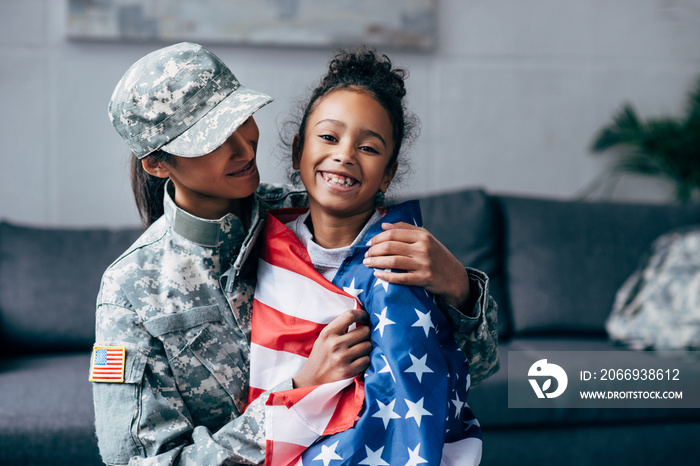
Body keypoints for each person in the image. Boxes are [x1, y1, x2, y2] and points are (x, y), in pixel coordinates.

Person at [92, 41, 497, 466]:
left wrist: (460, 288)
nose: (245, 149)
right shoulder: (130, 292)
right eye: (209, 140)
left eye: (240, 119)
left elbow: (468, 368)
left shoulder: (313, 212)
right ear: (157, 164)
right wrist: (299, 393)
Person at [247, 47, 486, 465]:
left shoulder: (403, 257)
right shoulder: (255, 232)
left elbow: (434, 382)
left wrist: (461, 287)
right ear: (297, 151)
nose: (345, 154)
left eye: (370, 148)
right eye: (328, 137)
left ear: (388, 174)